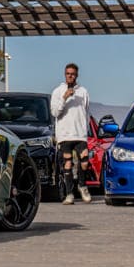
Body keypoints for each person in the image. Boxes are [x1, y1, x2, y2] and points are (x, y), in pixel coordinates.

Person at [50, 63, 92, 204]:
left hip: (80, 134)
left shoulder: (83, 92)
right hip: (65, 134)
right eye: (68, 73)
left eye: (73, 74)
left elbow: (86, 112)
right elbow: (55, 112)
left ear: (77, 75)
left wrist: (86, 131)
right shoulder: (57, 91)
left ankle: (82, 185)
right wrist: (64, 97)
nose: (70, 76)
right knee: (68, 163)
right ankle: (69, 194)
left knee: (85, 160)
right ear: (64, 74)